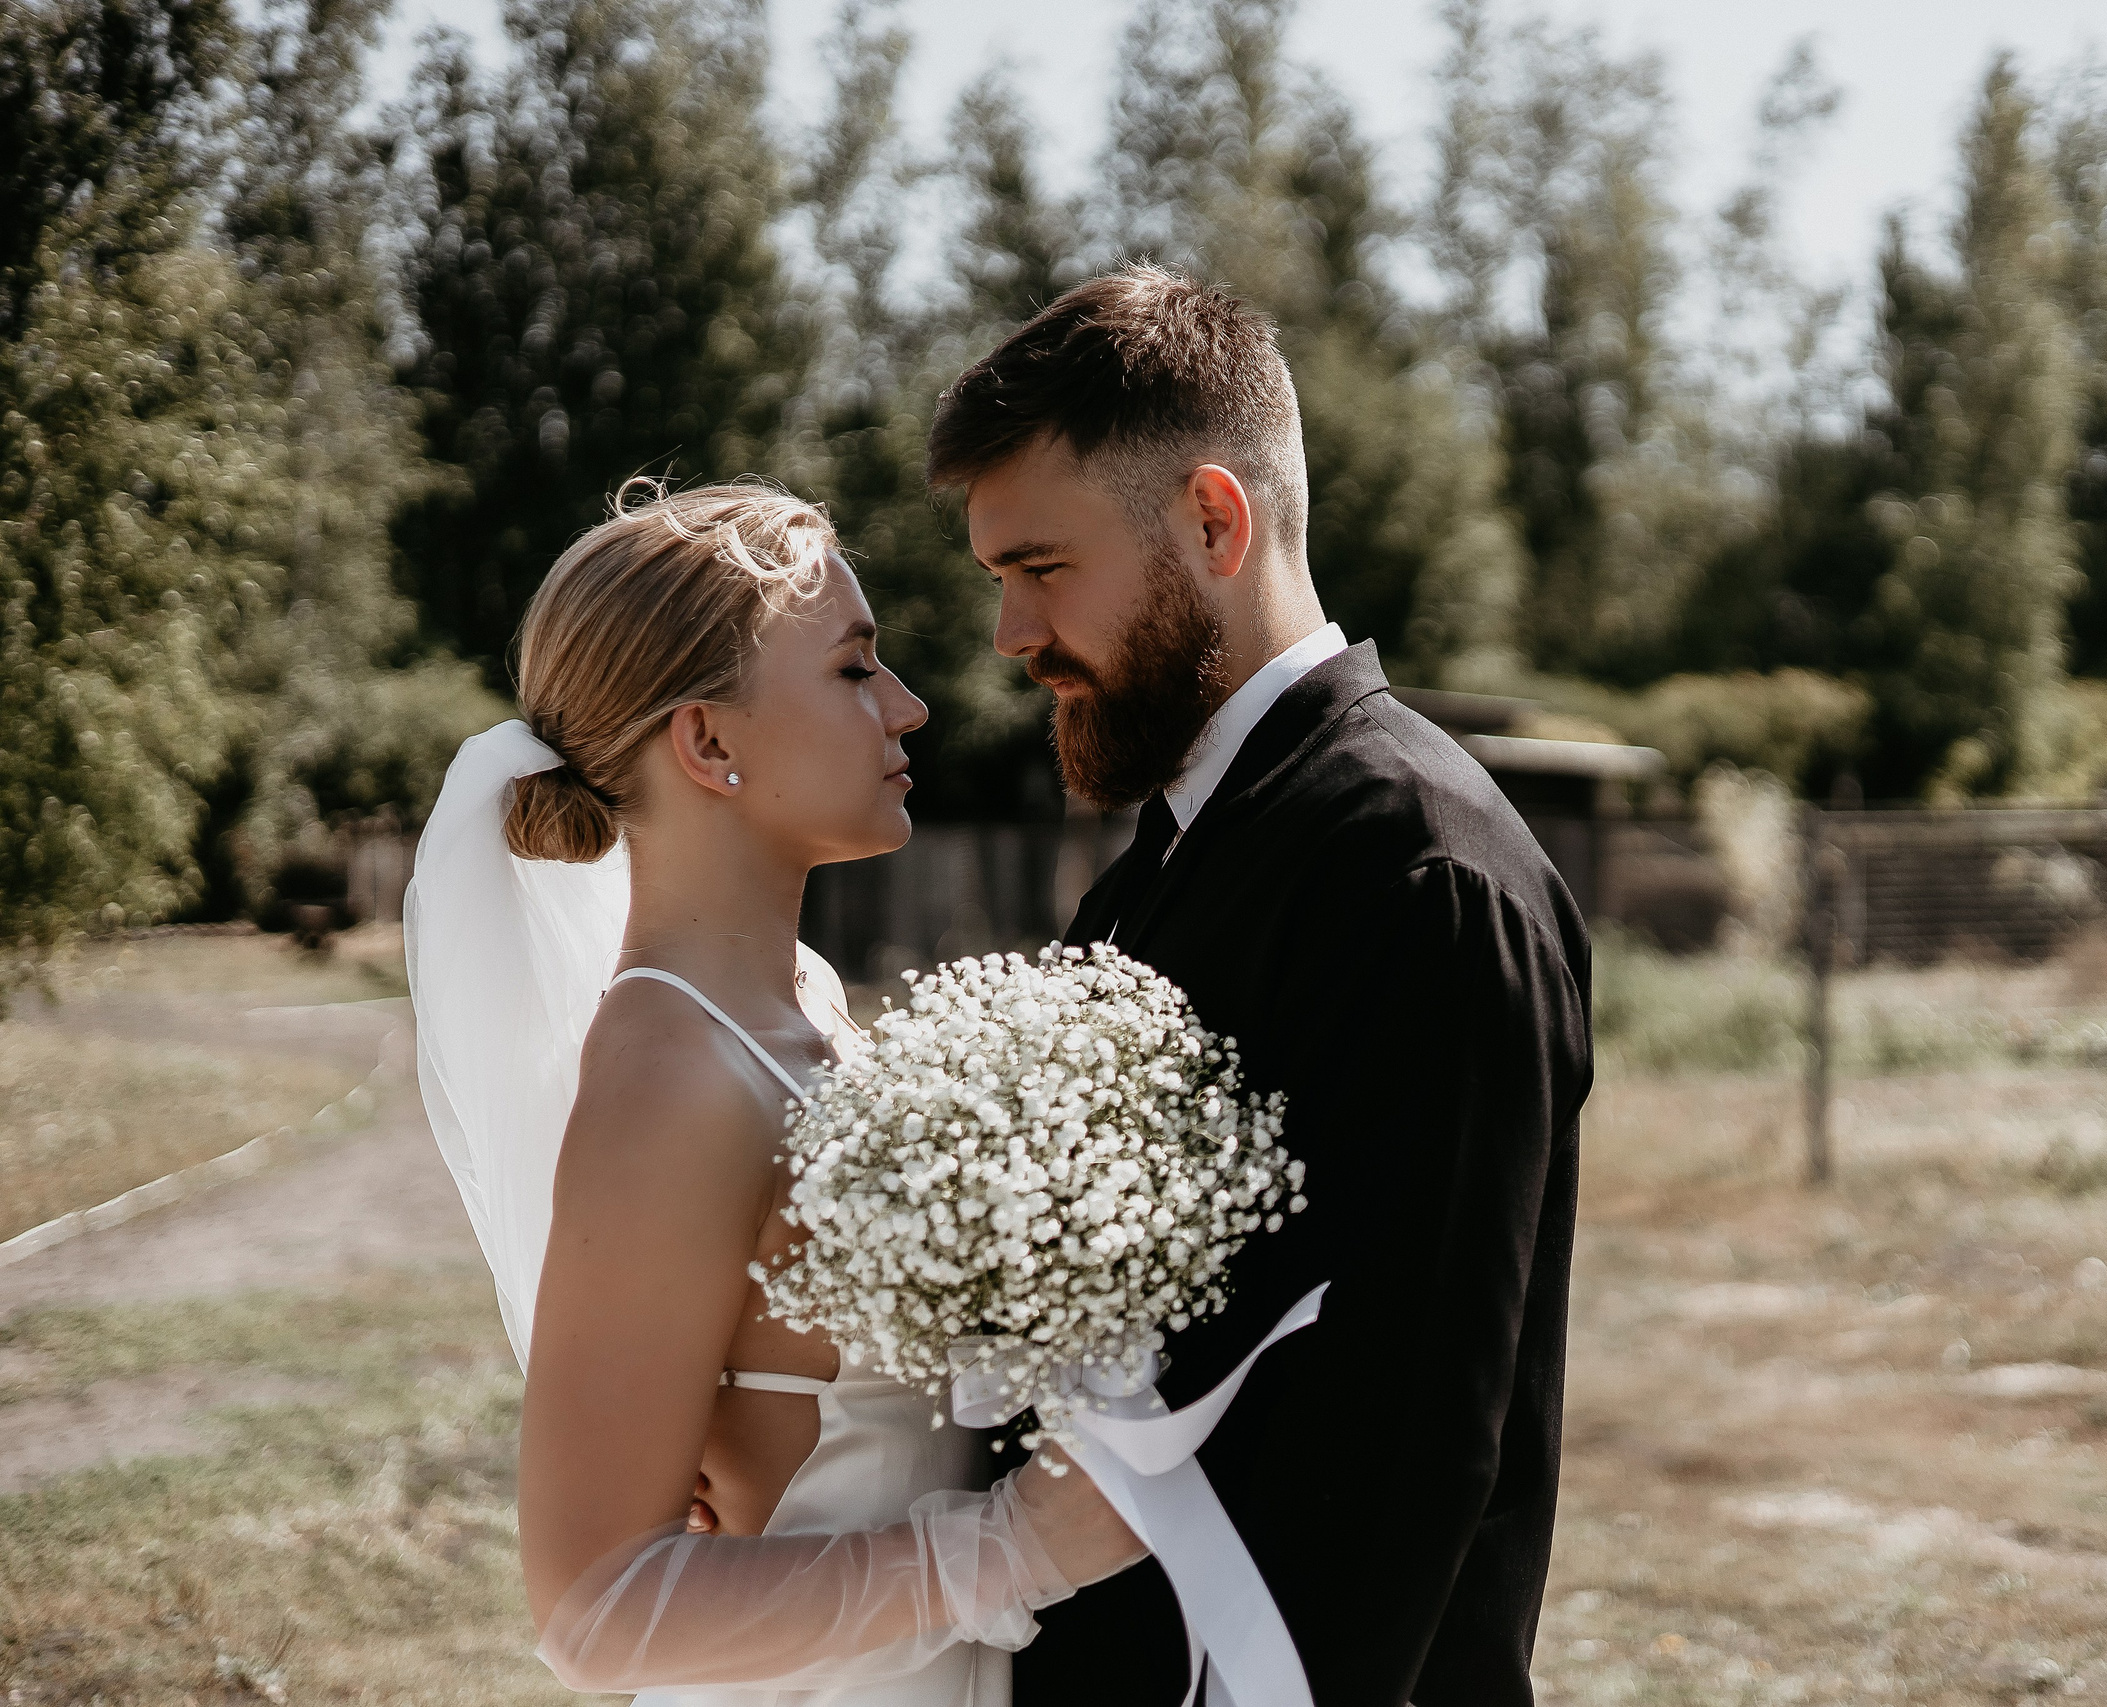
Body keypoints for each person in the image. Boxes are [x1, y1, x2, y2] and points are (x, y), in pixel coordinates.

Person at [928, 268, 1591, 1707]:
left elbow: (1416, 1439)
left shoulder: (1423, 869)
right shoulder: (1165, 860)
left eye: (1042, 570)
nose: (1012, 639)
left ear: (1215, 522)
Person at [407, 482, 1145, 1705]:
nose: (908, 706)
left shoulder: (803, 1006)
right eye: (856, 671)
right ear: (708, 744)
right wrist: (1014, 1549)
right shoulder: (672, 1076)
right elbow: (593, 1615)